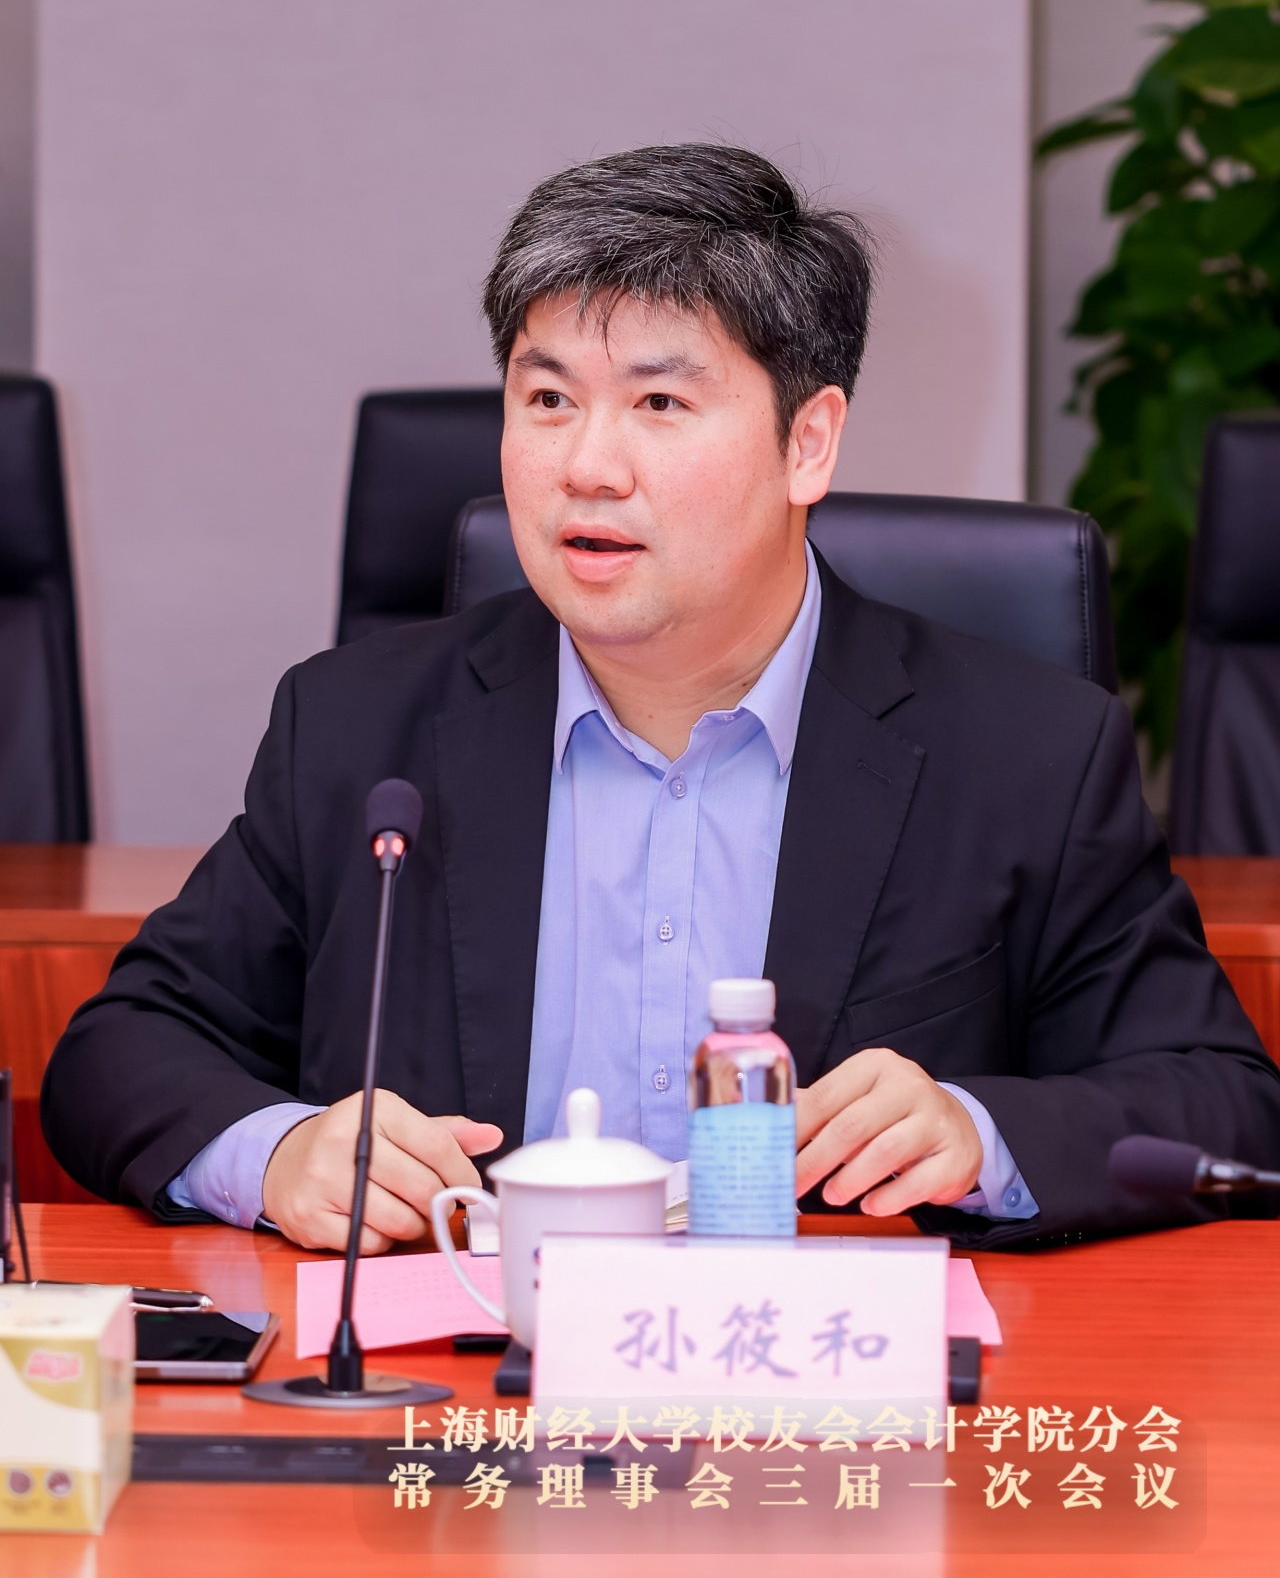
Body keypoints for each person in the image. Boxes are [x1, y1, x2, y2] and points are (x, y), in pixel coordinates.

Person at [42, 144, 1280, 1254]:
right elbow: (121, 1050)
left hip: (824, 1398)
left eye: (658, 403)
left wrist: (974, 1131)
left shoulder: (1022, 753)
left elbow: (1221, 1102)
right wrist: (277, 1155)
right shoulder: (362, 729)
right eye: (546, 399)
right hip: (460, 1390)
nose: (587, 465)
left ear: (807, 442)